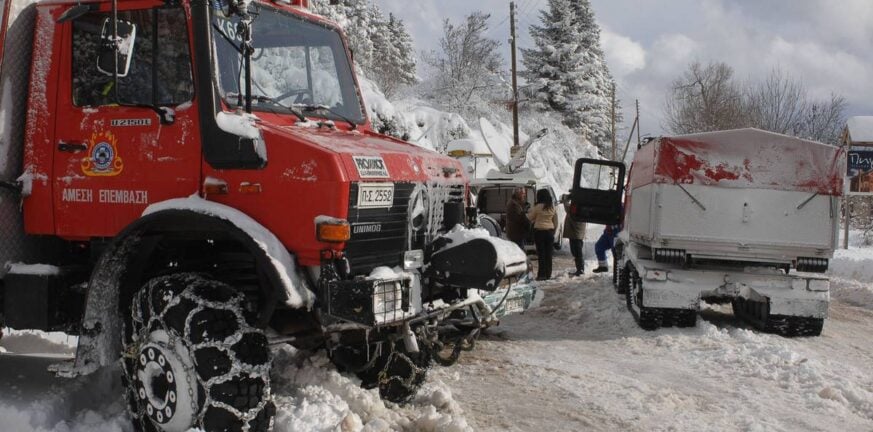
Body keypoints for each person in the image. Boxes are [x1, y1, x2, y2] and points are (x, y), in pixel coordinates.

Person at [528, 189, 559, 281]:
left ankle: (541, 275)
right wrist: (553, 231)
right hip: (549, 233)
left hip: (539, 232)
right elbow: (555, 222)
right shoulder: (551, 207)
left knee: (541, 254)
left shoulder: (537, 207)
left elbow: (530, 217)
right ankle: (548, 274)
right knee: (548, 254)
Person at [561, 194, 586, 276]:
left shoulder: (577, 207)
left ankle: (580, 269)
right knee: (576, 252)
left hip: (576, 233)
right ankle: (579, 269)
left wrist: (565, 200)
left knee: (577, 252)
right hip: (575, 233)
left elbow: (568, 209)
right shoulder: (581, 206)